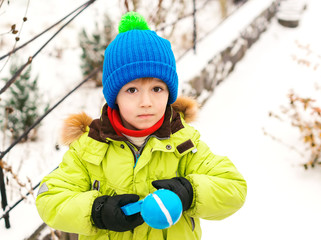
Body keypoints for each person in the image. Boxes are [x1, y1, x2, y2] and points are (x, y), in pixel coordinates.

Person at [36, 11, 247, 240]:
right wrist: (97, 212)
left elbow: (233, 187)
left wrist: (190, 192)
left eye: (157, 89)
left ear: (169, 93)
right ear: (114, 96)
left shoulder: (184, 144)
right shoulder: (89, 149)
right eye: (132, 90)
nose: (146, 103)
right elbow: (49, 197)